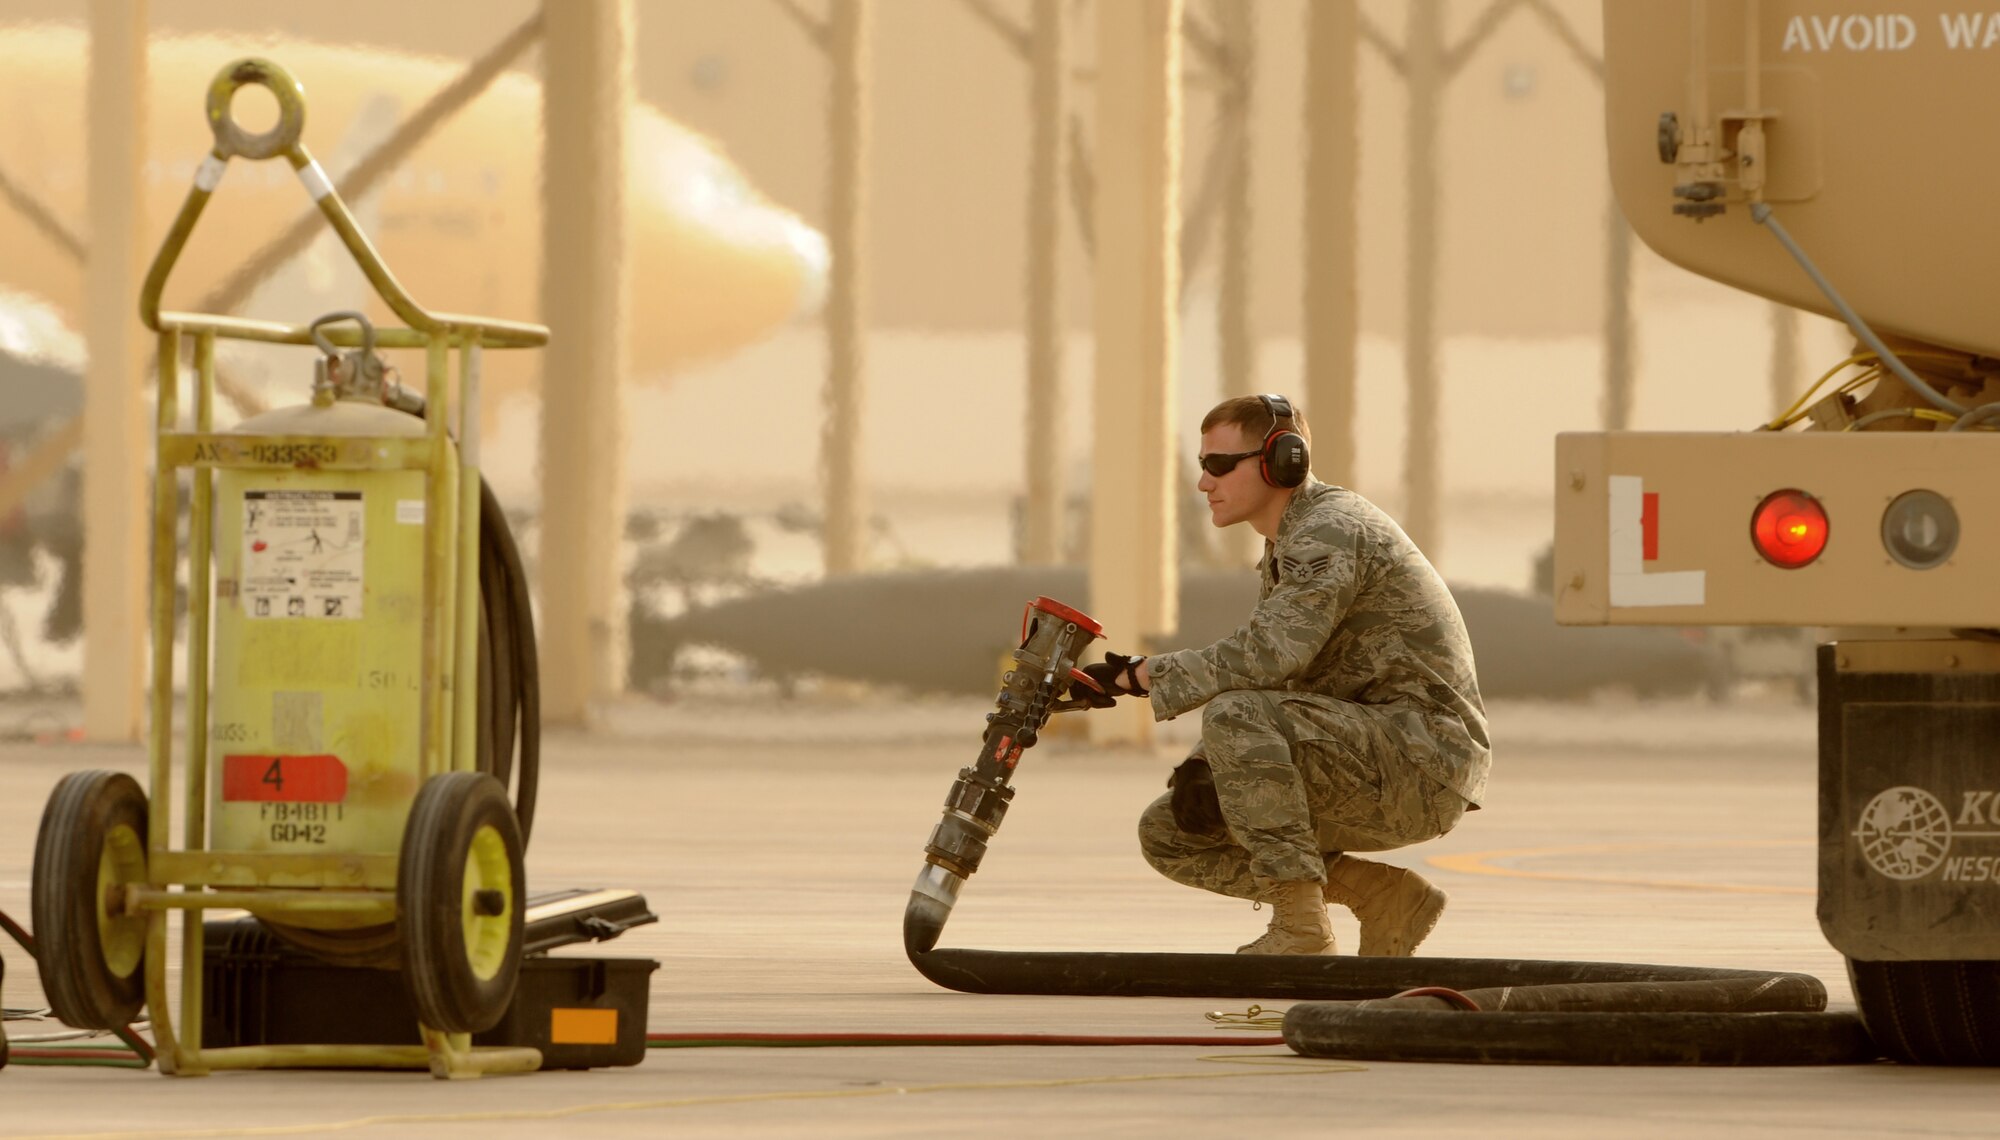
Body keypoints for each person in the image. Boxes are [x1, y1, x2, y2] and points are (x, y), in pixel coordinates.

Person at [1070, 394, 1488, 956]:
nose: (1204, 483)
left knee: (1233, 715)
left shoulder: (1329, 533)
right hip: (1371, 751)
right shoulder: (1289, 541)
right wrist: (1201, 762)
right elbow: (1283, 680)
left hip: (1422, 763)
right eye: (1202, 465)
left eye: (1220, 465)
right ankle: (1382, 897)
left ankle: (1301, 931)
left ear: (1281, 461)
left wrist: (1137, 677)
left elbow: (1270, 655)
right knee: (1171, 832)